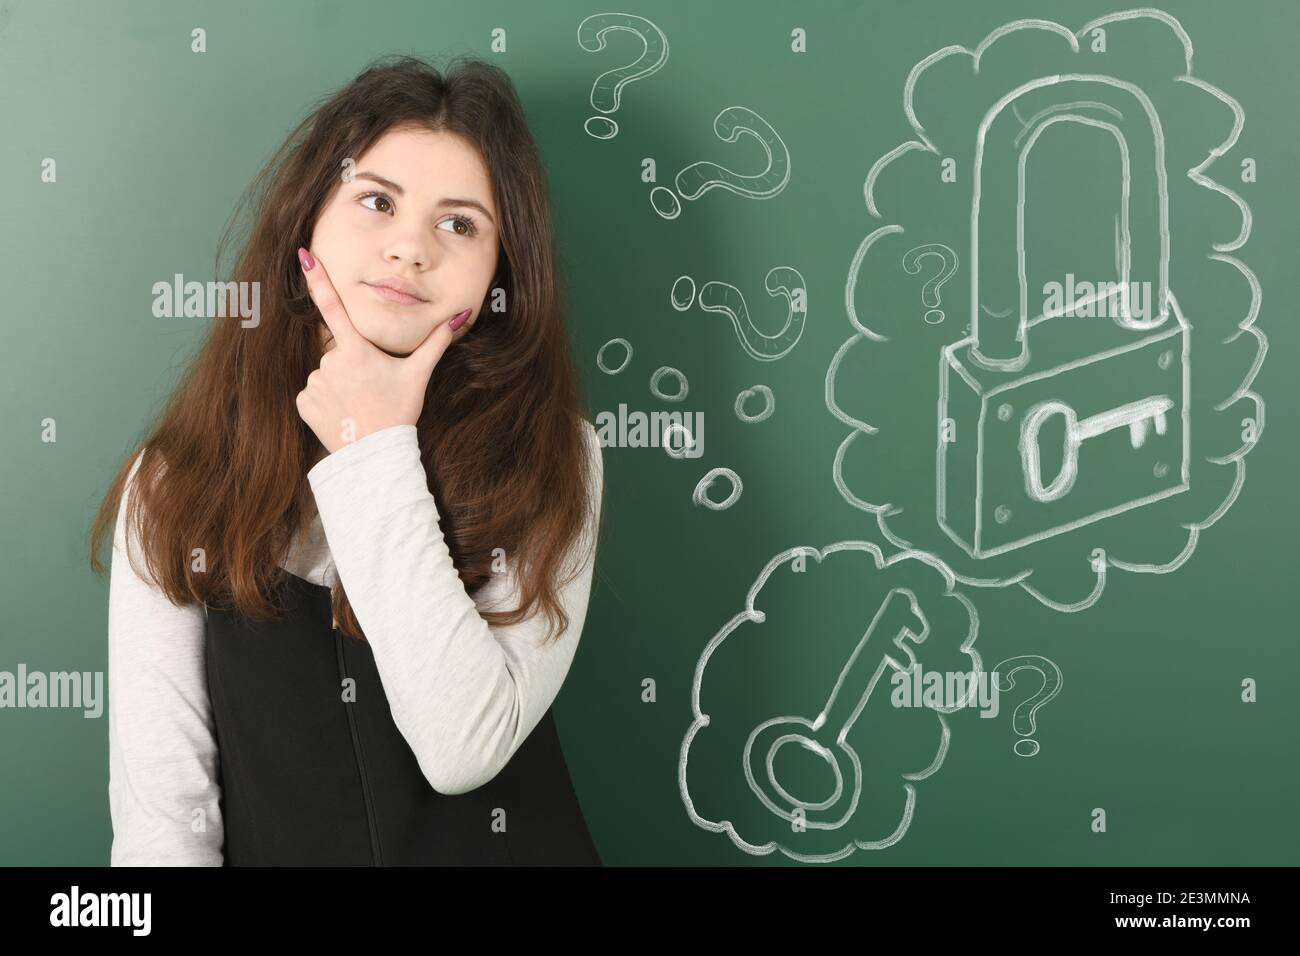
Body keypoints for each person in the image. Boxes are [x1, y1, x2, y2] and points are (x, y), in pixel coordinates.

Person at [89, 55, 605, 866]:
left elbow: (463, 746)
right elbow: (166, 815)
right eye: (376, 201)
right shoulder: (177, 479)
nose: (409, 249)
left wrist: (373, 445)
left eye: (460, 224)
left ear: (500, 271)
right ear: (309, 222)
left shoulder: (557, 453)